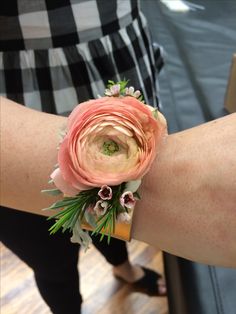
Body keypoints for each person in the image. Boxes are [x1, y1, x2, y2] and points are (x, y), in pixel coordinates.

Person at [0, 1, 166, 313]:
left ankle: (122, 266)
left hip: (118, 64)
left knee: (116, 214)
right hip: (13, 108)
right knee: (51, 261)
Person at [1, 98, 236, 269]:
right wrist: (165, 178)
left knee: (113, 242)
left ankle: (124, 269)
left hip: (122, 79)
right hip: (21, 143)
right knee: (53, 264)